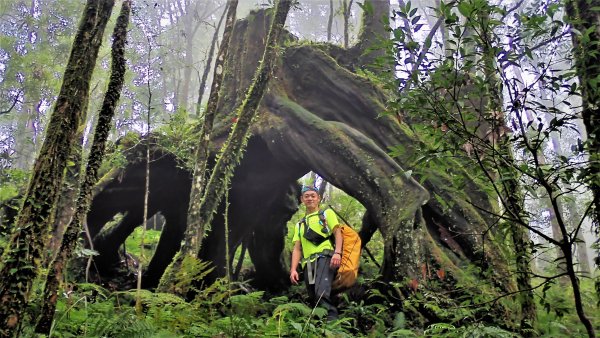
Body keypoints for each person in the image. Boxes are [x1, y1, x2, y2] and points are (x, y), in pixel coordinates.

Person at [290, 185, 343, 321]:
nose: (310, 199)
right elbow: (297, 248)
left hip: (324, 257)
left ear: (318, 198)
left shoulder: (326, 214)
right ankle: (321, 328)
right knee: (314, 297)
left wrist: (337, 253)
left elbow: (337, 232)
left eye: (313, 196)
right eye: (306, 196)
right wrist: (293, 269)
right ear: (302, 199)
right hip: (308, 264)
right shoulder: (300, 224)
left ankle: (333, 328)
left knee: (321, 293)